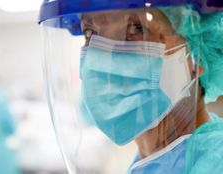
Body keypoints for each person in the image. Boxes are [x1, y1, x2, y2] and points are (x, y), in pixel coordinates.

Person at [38, 0, 223, 173]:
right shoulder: (153, 163)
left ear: (195, 53)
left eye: (136, 28)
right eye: (90, 33)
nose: (105, 60)